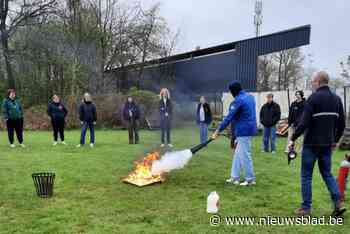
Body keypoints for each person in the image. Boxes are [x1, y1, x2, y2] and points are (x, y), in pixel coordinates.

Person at [289, 71, 346, 217]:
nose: (312, 84)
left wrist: (293, 138)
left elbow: (304, 123)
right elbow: (341, 124)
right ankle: (338, 204)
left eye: (313, 82)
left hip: (311, 144)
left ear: (318, 82)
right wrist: (334, 141)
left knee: (306, 175)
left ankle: (306, 208)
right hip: (327, 144)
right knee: (327, 173)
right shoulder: (337, 99)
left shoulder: (313, 99)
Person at [212, 81, 257, 186]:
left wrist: (218, 130)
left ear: (233, 91)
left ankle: (250, 179)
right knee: (238, 154)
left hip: (243, 130)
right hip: (250, 128)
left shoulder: (238, 101)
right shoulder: (250, 97)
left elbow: (229, 117)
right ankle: (234, 177)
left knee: (245, 154)